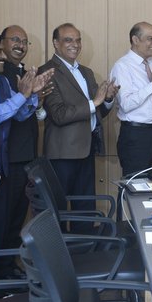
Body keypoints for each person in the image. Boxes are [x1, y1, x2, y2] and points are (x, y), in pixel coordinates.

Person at [0, 29, 51, 278]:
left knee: (9, 219)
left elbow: (19, 115)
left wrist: (32, 96)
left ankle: (5, 270)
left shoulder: (2, 80)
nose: (3, 56)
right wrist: (23, 95)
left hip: (3, 161)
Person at [40, 23, 118, 225]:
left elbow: (97, 111)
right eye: (68, 40)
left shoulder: (86, 72)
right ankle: (60, 247)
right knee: (58, 210)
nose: (75, 44)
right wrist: (95, 102)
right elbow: (58, 114)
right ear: (55, 43)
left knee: (86, 208)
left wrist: (108, 99)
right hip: (63, 153)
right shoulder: (47, 72)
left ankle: (86, 243)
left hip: (87, 149)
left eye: (78, 40)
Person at [0, 25, 48, 261]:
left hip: (27, 153)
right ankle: (1, 268)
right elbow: (9, 113)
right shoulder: (0, 74)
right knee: (6, 215)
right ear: (2, 43)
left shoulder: (26, 73)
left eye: (24, 41)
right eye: (15, 40)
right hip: (9, 155)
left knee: (20, 214)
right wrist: (29, 96)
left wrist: (37, 100)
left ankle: (10, 265)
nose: (20, 45)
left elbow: (30, 114)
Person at [109, 22, 152, 176]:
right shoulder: (122, 66)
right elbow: (126, 104)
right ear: (135, 40)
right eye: (150, 39)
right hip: (135, 135)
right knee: (135, 182)